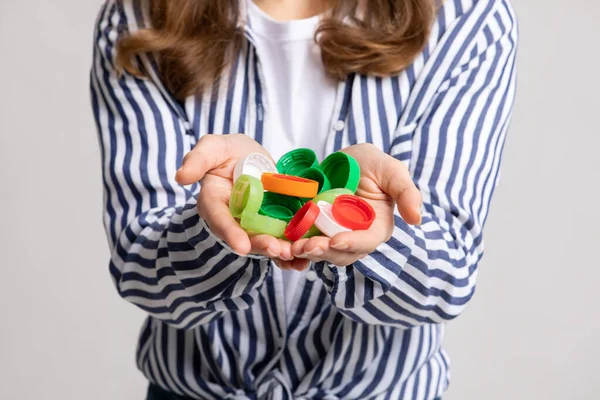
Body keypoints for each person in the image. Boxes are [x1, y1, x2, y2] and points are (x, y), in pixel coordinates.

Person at [90, 0, 517, 398]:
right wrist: (215, 229)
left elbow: (449, 280)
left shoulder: (468, 17)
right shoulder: (142, 14)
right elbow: (139, 270)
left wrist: (377, 236)